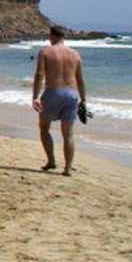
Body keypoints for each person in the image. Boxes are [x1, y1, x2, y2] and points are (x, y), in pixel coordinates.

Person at [32, 25, 87, 175]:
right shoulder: (75, 54)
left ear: (52, 36)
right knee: (68, 134)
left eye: (49, 36)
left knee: (44, 129)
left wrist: (35, 97)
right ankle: (68, 168)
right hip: (72, 94)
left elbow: (39, 75)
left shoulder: (45, 52)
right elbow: (80, 79)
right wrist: (83, 99)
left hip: (53, 92)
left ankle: (51, 161)